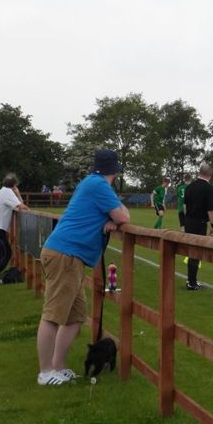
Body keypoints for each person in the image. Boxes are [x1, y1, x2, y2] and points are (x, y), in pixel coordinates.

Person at [36, 149, 130, 386]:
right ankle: (45, 372)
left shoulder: (91, 182)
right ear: (116, 172)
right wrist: (113, 220)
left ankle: (58, 366)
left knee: (76, 315)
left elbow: (118, 217)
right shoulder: (99, 186)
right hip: (66, 255)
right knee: (53, 315)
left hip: (69, 255)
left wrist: (111, 219)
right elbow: (124, 217)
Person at [0, 174, 29, 284]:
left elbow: (16, 206)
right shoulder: (8, 192)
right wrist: (18, 193)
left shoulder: (4, 191)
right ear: (14, 185)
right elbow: (22, 206)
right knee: (6, 251)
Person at [183, 163, 213, 290]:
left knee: (192, 251)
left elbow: (185, 208)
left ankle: (191, 280)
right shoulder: (209, 189)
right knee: (196, 252)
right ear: (210, 175)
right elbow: (211, 211)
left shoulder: (189, 187)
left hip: (189, 222)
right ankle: (192, 282)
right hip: (200, 223)